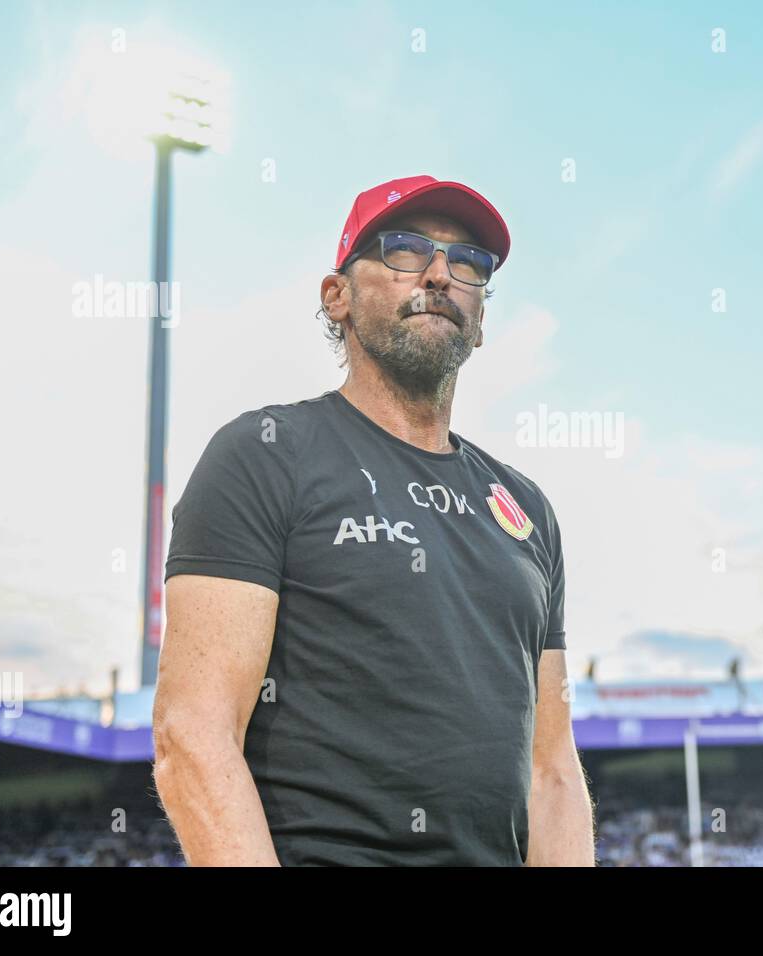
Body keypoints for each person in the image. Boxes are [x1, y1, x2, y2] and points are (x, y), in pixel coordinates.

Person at [152, 175, 595, 866]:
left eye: (468, 262)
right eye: (406, 250)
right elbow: (193, 736)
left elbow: (553, 769)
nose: (442, 274)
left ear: (481, 320)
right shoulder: (265, 454)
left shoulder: (527, 509)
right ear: (338, 297)